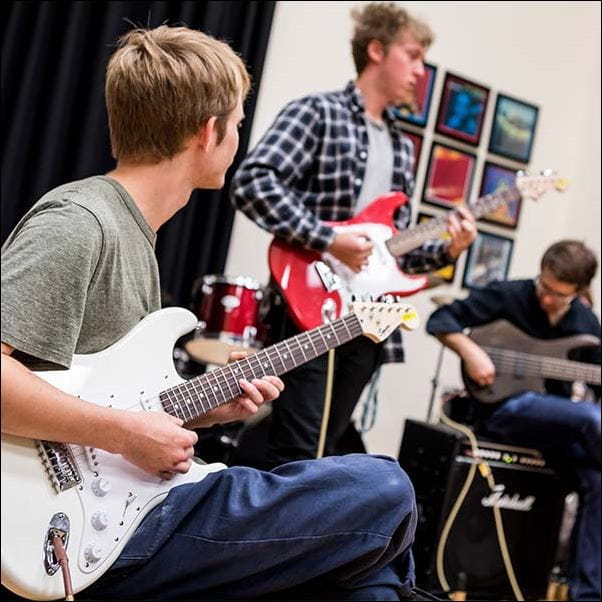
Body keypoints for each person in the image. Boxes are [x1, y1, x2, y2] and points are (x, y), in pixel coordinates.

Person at [1, 25, 420, 601]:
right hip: (97, 535)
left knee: (369, 579)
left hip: (129, 509)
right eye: (239, 124)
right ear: (208, 132)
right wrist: (126, 432)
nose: (239, 138)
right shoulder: (80, 222)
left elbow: (107, 401)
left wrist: (203, 411)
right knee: (384, 486)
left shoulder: (132, 234)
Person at [230, 2, 476, 466]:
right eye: (413, 55)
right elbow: (253, 182)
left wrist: (450, 250)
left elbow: (389, 256)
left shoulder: (403, 147)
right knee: (297, 449)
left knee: (328, 448)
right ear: (377, 50)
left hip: (369, 317)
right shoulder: (317, 112)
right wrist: (327, 238)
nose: (421, 71)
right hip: (309, 302)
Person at [426, 240, 601, 602]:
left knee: (598, 480)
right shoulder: (508, 295)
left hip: (553, 426)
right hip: (502, 411)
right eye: (545, 286)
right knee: (589, 417)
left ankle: (586, 594)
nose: (547, 298)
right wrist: (471, 351)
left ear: (579, 291)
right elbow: (440, 319)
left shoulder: (586, 323)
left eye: (559, 295)